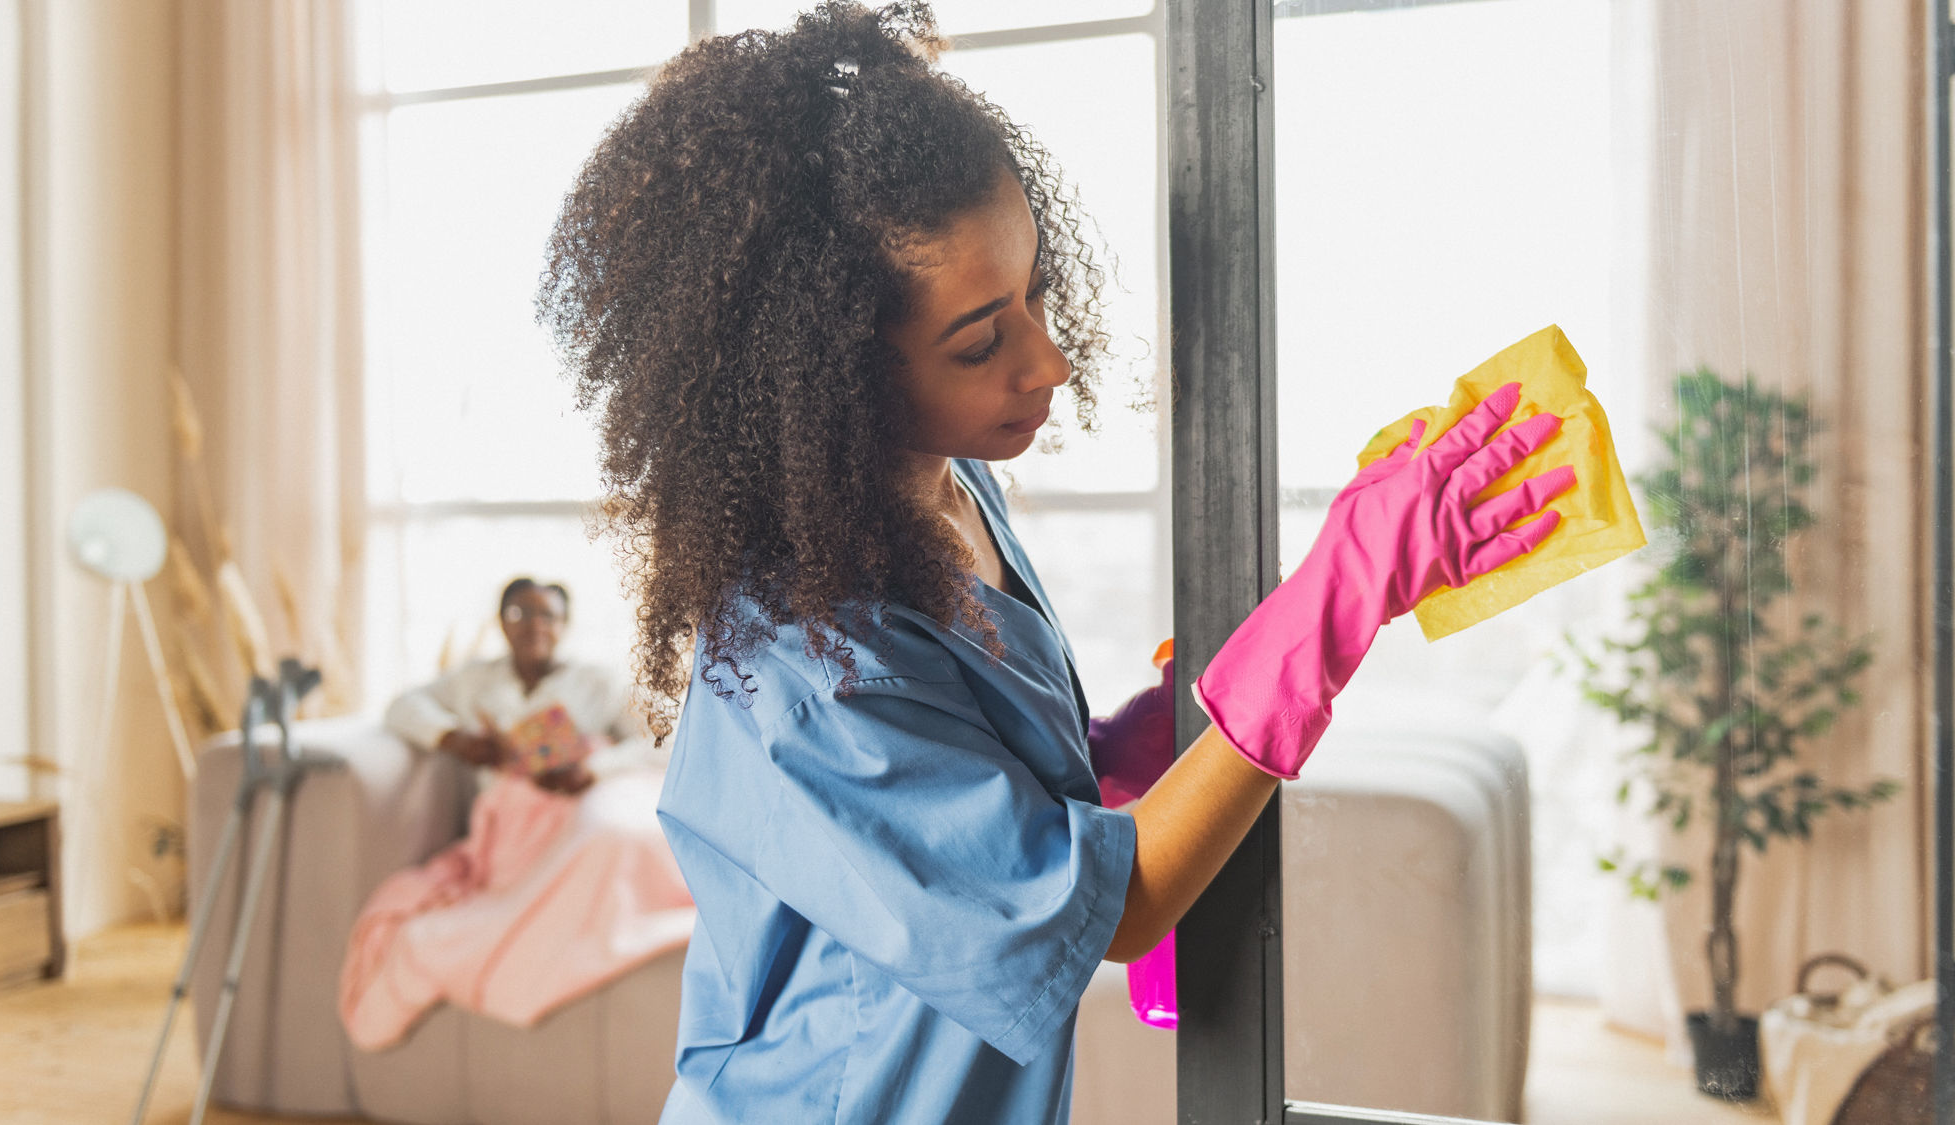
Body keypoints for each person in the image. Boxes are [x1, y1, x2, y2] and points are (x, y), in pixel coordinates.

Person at [536, 3, 1577, 1121]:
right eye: (981, 342)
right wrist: (1324, 612)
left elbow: (969, 778)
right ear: (832, 375)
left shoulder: (946, 492)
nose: (1050, 359)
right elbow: (1111, 908)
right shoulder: (802, 666)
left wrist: (1133, 744)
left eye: (1032, 290)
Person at [384, 577, 645, 794]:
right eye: (519, 614)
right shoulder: (473, 677)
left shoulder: (599, 682)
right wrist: (453, 738)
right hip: (501, 818)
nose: (534, 626)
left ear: (564, 625)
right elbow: (401, 706)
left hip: (574, 809)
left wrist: (594, 769)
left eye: (548, 615)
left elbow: (656, 744)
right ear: (501, 622)